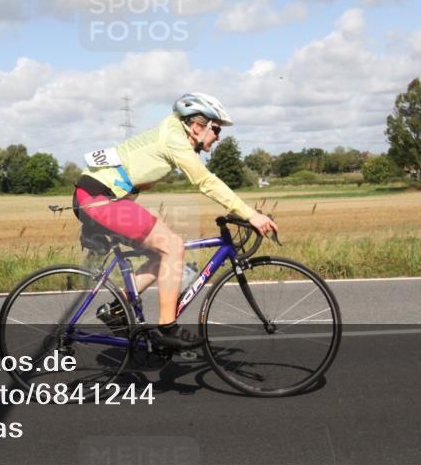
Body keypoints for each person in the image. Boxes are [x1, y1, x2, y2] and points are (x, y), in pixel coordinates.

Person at [73, 92, 278, 350]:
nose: (218, 137)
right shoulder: (175, 141)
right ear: (196, 127)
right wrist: (250, 214)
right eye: (216, 130)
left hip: (98, 194)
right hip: (99, 197)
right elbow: (205, 181)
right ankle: (167, 328)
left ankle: (117, 308)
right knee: (173, 246)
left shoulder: (173, 130)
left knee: (163, 254)